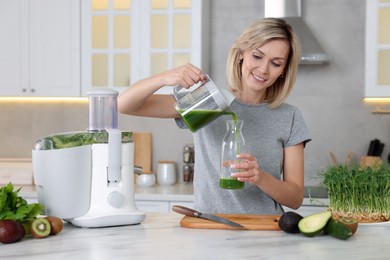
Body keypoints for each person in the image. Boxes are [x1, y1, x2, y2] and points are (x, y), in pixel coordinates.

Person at [118, 18, 311, 215]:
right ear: (241, 54)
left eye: (275, 63)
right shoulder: (207, 102)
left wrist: (259, 177)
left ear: (283, 71)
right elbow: (124, 105)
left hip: (264, 230)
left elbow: (295, 198)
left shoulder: (289, 116)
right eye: (257, 56)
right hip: (209, 227)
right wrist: (166, 77)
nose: (263, 69)